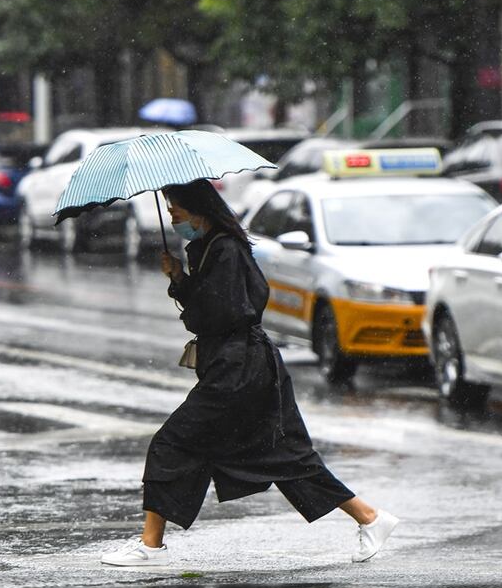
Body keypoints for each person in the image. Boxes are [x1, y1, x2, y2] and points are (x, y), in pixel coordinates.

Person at [100, 179, 398, 567]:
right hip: (243, 366)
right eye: (170, 211)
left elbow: (225, 313)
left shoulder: (225, 249)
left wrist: (186, 290)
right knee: (283, 455)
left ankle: (151, 545)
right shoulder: (210, 247)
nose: (172, 218)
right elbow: (215, 306)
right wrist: (179, 279)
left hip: (239, 369)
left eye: (176, 210)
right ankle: (370, 518)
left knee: (172, 443)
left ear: (198, 210)